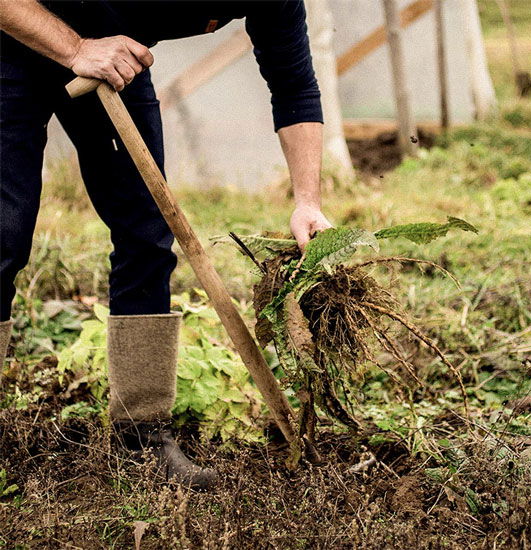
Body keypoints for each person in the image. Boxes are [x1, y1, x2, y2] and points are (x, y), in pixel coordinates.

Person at [0, 0, 332, 489]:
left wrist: (307, 200)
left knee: (148, 236)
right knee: (3, 237)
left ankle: (141, 438)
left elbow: (295, 87)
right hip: (13, 46)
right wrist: (75, 48)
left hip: (112, 62)